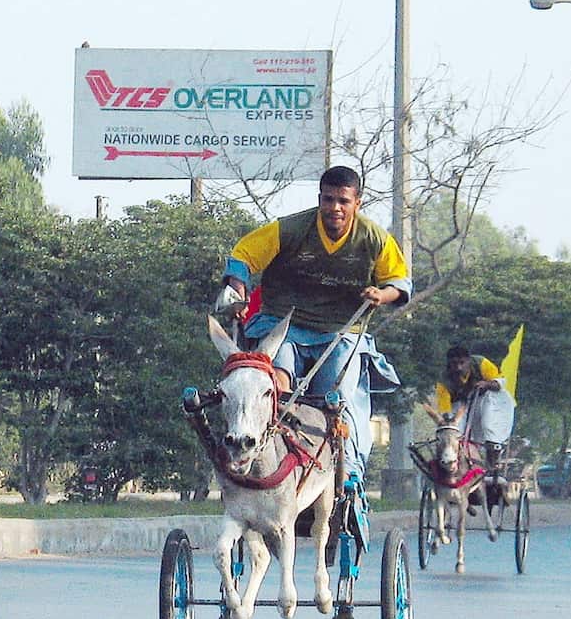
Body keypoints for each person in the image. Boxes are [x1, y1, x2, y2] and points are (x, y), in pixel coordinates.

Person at [214, 165, 411, 494]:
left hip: (340, 332)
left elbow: (398, 282)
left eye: (343, 201)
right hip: (284, 325)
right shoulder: (290, 230)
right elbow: (243, 256)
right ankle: (260, 448)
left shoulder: (374, 239)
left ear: (356, 203)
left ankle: (349, 469)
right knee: (278, 380)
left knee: (339, 398)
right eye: (328, 199)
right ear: (319, 199)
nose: (335, 207)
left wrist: (382, 294)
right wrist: (239, 289)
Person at [435, 344, 515, 473]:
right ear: (449, 364)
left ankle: (492, 463)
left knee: (488, 424)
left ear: (468, 360)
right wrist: (449, 423)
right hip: (462, 404)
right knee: (454, 432)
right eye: (454, 364)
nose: (458, 367)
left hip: (488, 399)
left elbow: (499, 382)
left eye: (462, 363)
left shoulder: (480, 363)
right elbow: (445, 408)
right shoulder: (444, 379)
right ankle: (455, 462)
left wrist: (486, 384)